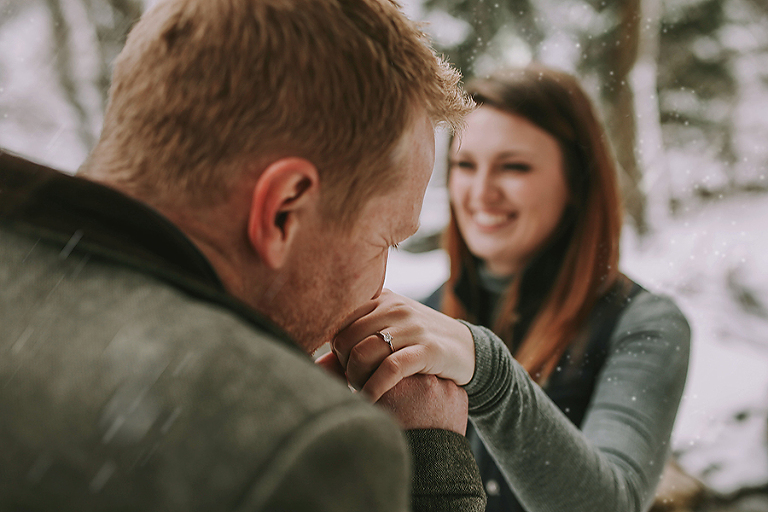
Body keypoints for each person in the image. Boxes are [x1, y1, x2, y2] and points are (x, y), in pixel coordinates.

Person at [0, 0, 486, 510]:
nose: (380, 289)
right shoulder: (302, 444)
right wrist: (435, 469)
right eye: (386, 240)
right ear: (282, 210)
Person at [330, 65, 691, 512]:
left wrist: (488, 371)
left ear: (576, 183)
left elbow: (612, 503)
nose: (481, 192)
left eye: (513, 167)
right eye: (465, 165)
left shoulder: (643, 325)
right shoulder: (426, 317)